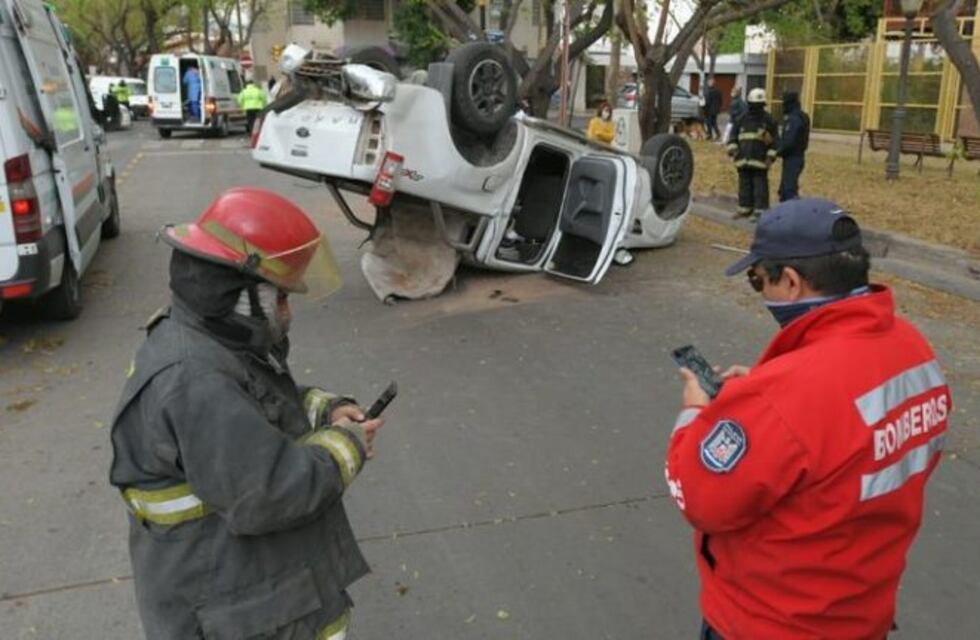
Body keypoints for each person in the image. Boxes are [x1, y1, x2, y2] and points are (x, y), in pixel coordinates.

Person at [665, 198, 951, 640]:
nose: (759, 289)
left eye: (757, 279)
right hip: (862, 609)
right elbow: (864, 437)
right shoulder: (913, 349)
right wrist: (769, 391)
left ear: (793, 282)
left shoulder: (785, 397)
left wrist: (695, 411)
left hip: (772, 621)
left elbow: (701, 498)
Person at [109, 187, 384, 639]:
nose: (287, 312)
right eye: (279, 298)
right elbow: (269, 493)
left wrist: (326, 409)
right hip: (235, 610)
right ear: (241, 297)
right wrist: (345, 445)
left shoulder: (203, 337)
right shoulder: (194, 379)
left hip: (239, 583)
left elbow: (257, 397)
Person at [726, 88, 778, 221]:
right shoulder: (742, 118)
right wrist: (733, 149)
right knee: (744, 186)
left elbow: (775, 141)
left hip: (760, 160)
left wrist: (770, 157)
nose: (756, 108)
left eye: (759, 105)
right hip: (743, 158)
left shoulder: (768, 120)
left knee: (760, 187)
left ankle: (760, 212)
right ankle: (744, 209)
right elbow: (733, 136)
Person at [776, 90, 811, 201]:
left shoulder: (794, 119)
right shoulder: (800, 116)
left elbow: (789, 141)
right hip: (795, 157)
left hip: (793, 157)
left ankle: (791, 214)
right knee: (785, 188)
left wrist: (777, 151)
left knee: (788, 190)